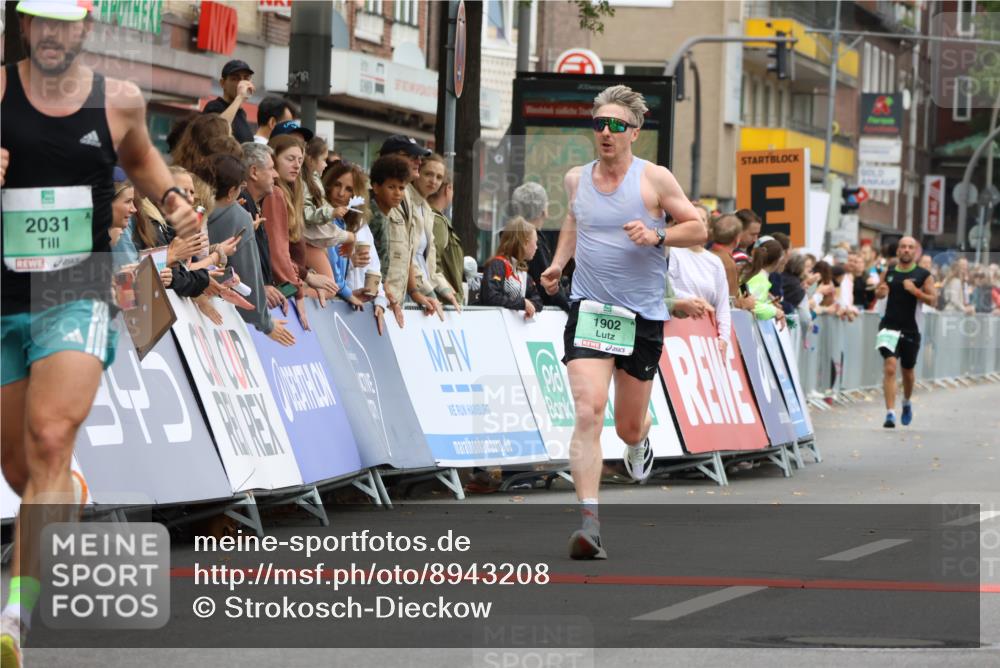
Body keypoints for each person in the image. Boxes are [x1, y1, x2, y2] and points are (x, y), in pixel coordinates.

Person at [0, 3, 198, 664]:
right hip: (5, 292)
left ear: (86, 29)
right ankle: (67, 496)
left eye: (64, 24)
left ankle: (14, 614)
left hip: (76, 286)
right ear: (25, 27)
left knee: (52, 436)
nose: (52, 35)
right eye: (39, 22)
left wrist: (173, 203)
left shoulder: (118, 101)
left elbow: (142, 161)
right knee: (20, 465)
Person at [539, 85, 706, 560]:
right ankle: (590, 524)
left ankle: (639, 444)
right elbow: (576, 222)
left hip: (642, 316)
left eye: (616, 125)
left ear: (634, 132)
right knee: (589, 410)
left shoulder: (654, 179)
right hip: (591, 310)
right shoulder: (577, 179)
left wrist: (657, 233)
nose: (606, 133)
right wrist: (559, 264)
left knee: (629, 425)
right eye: (599, 124)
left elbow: (698, 227)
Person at [197, 153, 295, 346]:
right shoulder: (239, 216)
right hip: (212, 319)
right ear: (233, 191)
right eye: (241, 188)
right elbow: (248, 272)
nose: (275, 174)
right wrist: (265, 323)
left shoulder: (188, 205)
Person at [263, 135, 337, 328]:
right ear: (273, 159)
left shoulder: (291, 192)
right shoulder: (275, 194)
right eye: (290, 159)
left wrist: (304, 282)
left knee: (328, 288)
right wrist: (301, 289)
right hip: (277, 287)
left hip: (288, 281)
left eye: (300, 160)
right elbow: (278, 253)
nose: (296, 165)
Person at [378, 135, 445, 319]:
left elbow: (407, 254)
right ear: (391, 158)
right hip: (377, 301)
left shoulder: (408, 198)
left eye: (419, 157)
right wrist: (380, 294)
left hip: (394, 302)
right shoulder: (379, 195)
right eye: (411, 156)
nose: (418, 161)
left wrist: (415, 291)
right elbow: (373, 254)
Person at [367, 154, 437, 328]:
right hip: (372, 303)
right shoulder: (370, 217)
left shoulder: (396, 213)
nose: (398, 193)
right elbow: (370, 267)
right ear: (376, 187)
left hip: (390, 302)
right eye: (391, 187)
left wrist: (414, 292)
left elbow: (408, 257)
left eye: (401, 187)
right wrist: (385, 295)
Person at [874, 236, 937, 429]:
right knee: (890, 366)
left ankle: (906, 402)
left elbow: (933, 300)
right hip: (889, 326)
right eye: (903, 247)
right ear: (898, 250)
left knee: (907, 371)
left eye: (910, 247)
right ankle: (890, 413)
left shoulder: (923, 275)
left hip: (911, 328)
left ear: (915, 251)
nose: (906, 250)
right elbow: (879, 292)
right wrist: (880, 292)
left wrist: (915, 292)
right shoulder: (889, 271)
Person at [238, 142, 287, 314]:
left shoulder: (253, 204)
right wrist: (259, 288)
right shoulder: (241, 205)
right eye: (271, 168)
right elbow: (236, 259)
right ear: (253, 172)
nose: (276, 175)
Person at [667, 221, 731, 350]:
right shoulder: (672, 251)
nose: (698, 226)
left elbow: (722, 304)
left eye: (702, 220)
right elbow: (666, 289)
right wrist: (695, 301)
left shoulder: (715, 262)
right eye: (692, 221)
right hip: (676, 332)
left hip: (706, 336)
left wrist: (724, 337)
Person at [410, 153, 461, 311]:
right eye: (428, 174)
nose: (434, 181)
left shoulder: (425, 208)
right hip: (411, 290)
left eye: (439, 177)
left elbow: (430, 261)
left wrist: (444, 289)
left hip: (423, 291)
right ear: (418, 172)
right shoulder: (407, 201)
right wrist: (430, 292)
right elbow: (409, 257)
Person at [511, 181, 571, 312]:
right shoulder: (533, 242)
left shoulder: (510, 235)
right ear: (544, 210)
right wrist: (570, 307)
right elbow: (547, 286)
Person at [302, 136, 353, 279]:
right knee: (329, 287)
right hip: (310, 240)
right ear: (311, 159)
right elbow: (308, 214)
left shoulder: (314, 179)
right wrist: (331, 212)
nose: (325, 164)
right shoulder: (305, 184)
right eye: (323, 160)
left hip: (315, 241)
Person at [320, 161, 366, 310]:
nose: (340, 193)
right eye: (337, 185)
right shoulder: (322, 217)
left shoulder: (343, 222)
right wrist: (346, 293)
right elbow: (332, 264)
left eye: (348, 189)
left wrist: (348, 293)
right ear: (328, 184)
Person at [479, 216, 543, 318]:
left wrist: (529, 305)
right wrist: (523, 304)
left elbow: (538, 301)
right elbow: (491, 297)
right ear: (525, 242)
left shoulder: (522, 270)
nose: (536, 247)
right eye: (535, 242)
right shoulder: (497, 264)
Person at [426, 173, 466, 302]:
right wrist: (448, 291)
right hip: (442, 300)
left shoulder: (432, 217)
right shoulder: (437, 222)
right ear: (448, 188)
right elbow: (432, 263)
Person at [708, 213, 755, 311]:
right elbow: (729, 302)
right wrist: (745, 303)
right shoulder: (728, 263)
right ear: (737, 239)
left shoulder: (707, 254)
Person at [202, 59, 255, 143]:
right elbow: (218, 131)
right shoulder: (214, 106)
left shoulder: (242, 113)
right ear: (223, 83)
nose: (241, 83)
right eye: (235, 78)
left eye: (246, 78)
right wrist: (240, 97)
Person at [739, 237, 787, 327]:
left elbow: (752, 300)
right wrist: (775, 311)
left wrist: (769, 304)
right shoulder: (760, 279)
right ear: (777, 261)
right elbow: (751, 305)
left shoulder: (756, 275)